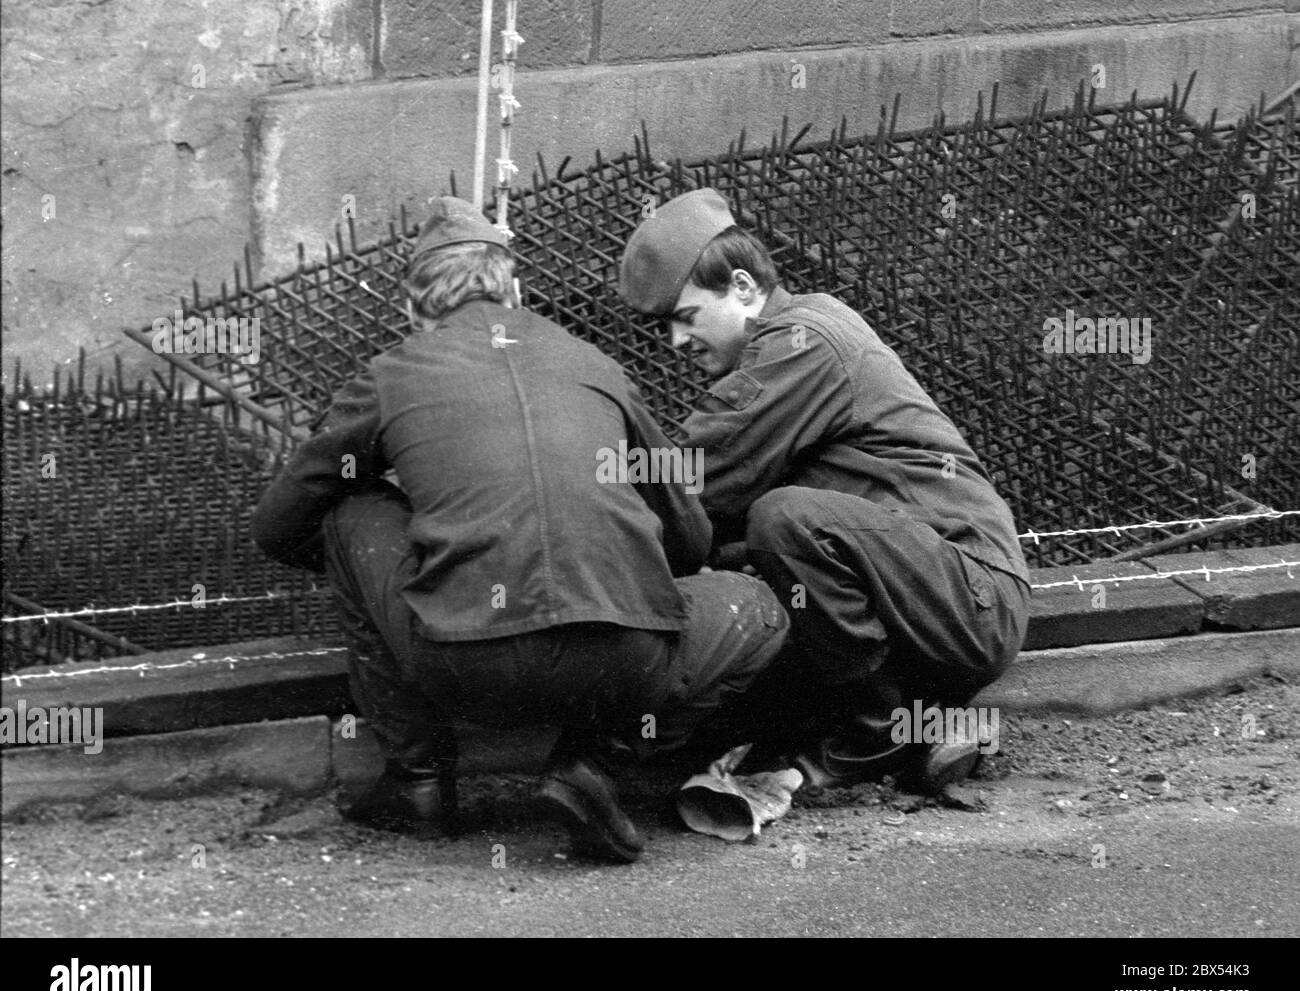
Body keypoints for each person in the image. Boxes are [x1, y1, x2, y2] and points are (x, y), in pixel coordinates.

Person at [251, 197, 788, 863]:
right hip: (624, 664)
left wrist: (419, 553)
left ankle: (419, 782)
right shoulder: (596, 365)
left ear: (414, 312)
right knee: (759, 606)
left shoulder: (391, 374)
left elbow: (278, 525)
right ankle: (593, 767)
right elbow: (687, 532)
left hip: (464, 662)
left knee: (348, 511)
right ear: (514, 289)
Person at [618, 188, 1031, 792]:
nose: (677, 342)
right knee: (748, 563)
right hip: (926, 591)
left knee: (783, 521)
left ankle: (879, 731)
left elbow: (691, 482)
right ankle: (923, 722)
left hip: (970, 596)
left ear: (740, 286)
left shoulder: (802, 343)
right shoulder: (796, 336)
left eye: (686, 317)